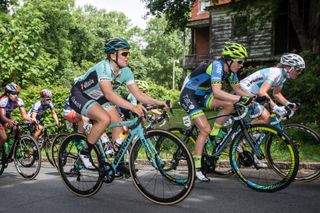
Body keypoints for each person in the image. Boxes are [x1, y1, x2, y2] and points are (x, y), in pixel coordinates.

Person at [69, 37, 168, 170]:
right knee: (104, 119)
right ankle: (84, 153)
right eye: (124, 53)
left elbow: (138, 94)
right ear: (112, 55)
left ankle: (119, 162)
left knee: (118, 122)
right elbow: (109, 94)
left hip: (99, 97)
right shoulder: (103, 67)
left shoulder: (126, 71)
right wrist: (132, 106)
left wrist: (159, 103)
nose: (128, 57)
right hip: (80, 94)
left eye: (128, 54)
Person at [179, 42, 254, 182]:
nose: (242, 65)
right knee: (204, 129)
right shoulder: (217, 66)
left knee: (229, 105)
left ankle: (215, 135)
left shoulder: (230, 72)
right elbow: (217, 92)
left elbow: (239, 90)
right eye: (239, 61)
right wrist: (241, 99)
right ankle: (197, 168)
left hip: (201, 95)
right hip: (188, 95)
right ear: (229, 60)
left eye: (243, 61)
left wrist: (255, 98)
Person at [239, 53, 305, 124]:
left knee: (266, 117)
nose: (299, 72)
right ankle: (243, 133)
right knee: (266, 118)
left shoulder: (282, 76)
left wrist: (288, 104)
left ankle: (247, 132)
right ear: (289, 68)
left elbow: (277, 94)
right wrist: (276, 108)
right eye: (298, 70)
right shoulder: (276, 73)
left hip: (252, 93)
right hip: (244, 90)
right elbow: (262, 92)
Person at [0, 83, 36, 152]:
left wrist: (32, 119)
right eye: (13, 93)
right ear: (8, 93)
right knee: (4, 137)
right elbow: (2, 116)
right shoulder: (3, 100)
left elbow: (24, 115)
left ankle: (12, 148)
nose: (16, 95)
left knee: (16, 128)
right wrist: (10, 121)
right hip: (2, 118)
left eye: (17, 93)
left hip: (6, 118)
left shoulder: (19, 100)